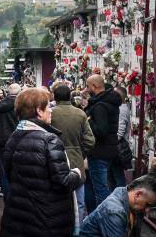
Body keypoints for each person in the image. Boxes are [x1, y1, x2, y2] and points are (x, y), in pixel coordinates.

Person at [1, 88, 83, 236]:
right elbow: (63, 182)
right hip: (47, 218)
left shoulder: (14, 136)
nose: (51, 110)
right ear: (39, 110)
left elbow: (9, 173)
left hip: (18, 215)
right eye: (48, 107)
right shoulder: (49, 140)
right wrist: (76, 174)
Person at [51, 81, 96, 232]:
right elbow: (90, 140)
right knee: (79, 198)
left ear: (55, 97)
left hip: (53, 158)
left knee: (56, 196)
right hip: (76, 159)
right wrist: (80, 152)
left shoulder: (50, 113)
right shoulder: (80, 113)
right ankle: (78, 230)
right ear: (69, 96)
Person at [84, 74, 122, 206]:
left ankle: (106, 219)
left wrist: (89, 120)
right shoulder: (110, 102)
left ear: (94, 86)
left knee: (101, 189)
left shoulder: (100, 106)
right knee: (104, 186)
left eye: (88, 86)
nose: (86, 89)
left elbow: (101, 130)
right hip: (109, 149)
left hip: (99, 151)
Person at [79, 175, 156, 237]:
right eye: (147, 204)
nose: (146, 209)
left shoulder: (124, 193)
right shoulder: (114, 211)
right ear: (138, 194)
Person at [108, 86, 132, 189]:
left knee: (118, 177)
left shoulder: (121, 110)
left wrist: (109, 143)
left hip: (117, 148)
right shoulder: (120, 108)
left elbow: (119, 132)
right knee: (114, 175)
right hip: (115, 147)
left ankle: (121, 199)